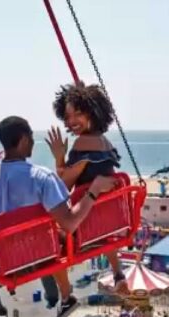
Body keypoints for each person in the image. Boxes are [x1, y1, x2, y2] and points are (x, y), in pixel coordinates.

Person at [0, 116, 116, 315]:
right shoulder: (41, 177)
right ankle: (66, 293)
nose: (33, 142)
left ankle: (56, 296)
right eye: (32, 138)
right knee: (60, 233)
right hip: (35, 256)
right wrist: (94, 190)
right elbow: (69, 223)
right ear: (24, 139)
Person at [48, 82, 128, 291]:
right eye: (68, 117)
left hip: (84, 225)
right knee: (96, 208)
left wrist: (58, 158)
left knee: (47, 234)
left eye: (78, 114)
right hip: (106, 222)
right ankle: (118, 273)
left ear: (93, 112)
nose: (72, 121)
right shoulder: (105, 143)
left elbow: (64, 185)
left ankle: (64, 293)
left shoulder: (83, 144)